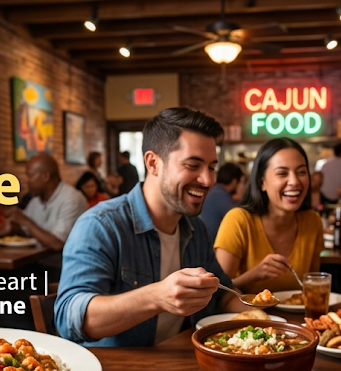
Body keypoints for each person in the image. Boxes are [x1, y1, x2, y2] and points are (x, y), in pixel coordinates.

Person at [55, 107, 247, 346]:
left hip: (181, 364)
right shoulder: (101, 224)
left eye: (211, 167)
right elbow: (70, 319)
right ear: (153, 163)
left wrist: (272, 319)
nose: (208, 180)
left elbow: (222, 296)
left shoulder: (196, 229)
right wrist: (157, 297)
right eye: (192, 165)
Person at [214, 138, 323, 293]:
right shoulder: (238, 220)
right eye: (282, 173)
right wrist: (255, 274)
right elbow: (218, 290)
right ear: (261, 182)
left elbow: (312, 287)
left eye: (301, 172)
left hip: (296, 317)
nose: (294, 181)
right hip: (247, 316)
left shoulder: (312, 221)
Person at [3, 153, 88, 252]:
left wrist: (25, 222)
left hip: (63, 265)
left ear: (46, 176)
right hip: (40, 262)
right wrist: (13, 227)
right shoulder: (35, 201)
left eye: (30, 175)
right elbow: (28, 233)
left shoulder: (71, 199)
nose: (27, 181)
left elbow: (58, 244)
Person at [199, 162, 243, 239]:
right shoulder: (221, 195)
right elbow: (240, 221)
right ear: (234, 181)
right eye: (242, 182)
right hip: (210, 244)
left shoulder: (216, 191)